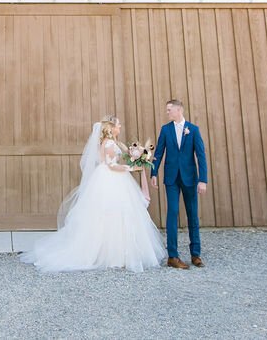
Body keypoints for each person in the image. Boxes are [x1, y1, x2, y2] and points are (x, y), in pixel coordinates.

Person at [20, 116, 166, 273]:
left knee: (110, 215)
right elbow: (111, 165)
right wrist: (132, 169)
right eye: (118, 125)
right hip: (111, 179)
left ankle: (113, 253)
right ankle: (114, 255)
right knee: (114, 213)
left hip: (108, 177)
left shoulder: (108, 142)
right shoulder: (109, 143)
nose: (120, 127)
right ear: (111, 128)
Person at [150, 99, 208, 269]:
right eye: (167, 110)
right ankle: (172, 256)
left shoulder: (193, 130)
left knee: (192, 215)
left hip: (190, 178)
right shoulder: (165, 130)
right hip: (172, 178)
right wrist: (153, 173)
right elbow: (158, 153)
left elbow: (201, 156)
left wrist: (202, 180)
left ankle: (195, 254)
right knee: (172, 213)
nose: (167, 113)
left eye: (169, 110)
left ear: (178, 110)